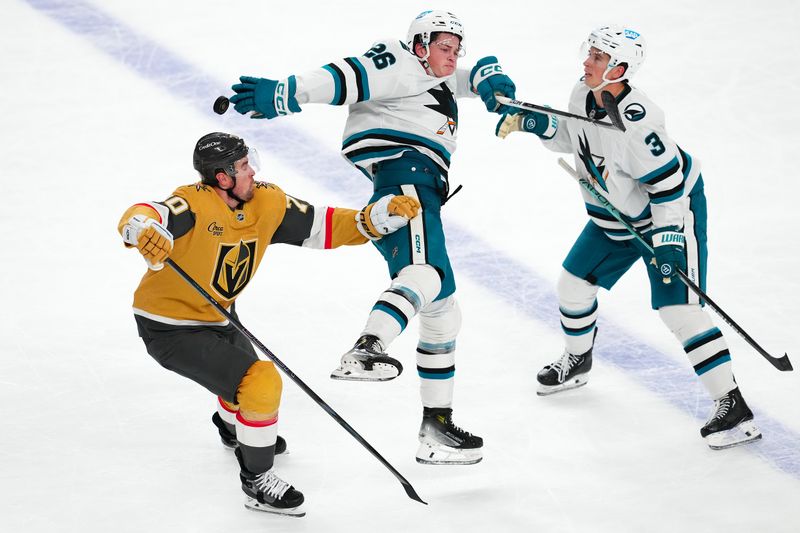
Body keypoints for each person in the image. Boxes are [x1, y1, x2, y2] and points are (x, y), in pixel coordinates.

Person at [227, 10, 515, 465]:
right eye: (444, 46)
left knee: (442, 309)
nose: (452, 54)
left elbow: (468, 76)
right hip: (408, 183)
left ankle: (436, 427)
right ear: (419, 44)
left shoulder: (425, 71)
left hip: (413, 186)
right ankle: (367, 349)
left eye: (457, 48)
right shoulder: (398, 60)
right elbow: (348, 75)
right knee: (427, 274)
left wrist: (491, 80)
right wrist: (286, 93)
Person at [118, 132, 420, 516]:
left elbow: (321, 225)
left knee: (241, 388)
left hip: (218, 314)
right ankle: (257, 482)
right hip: (169, 327)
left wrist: (374, 218)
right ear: (222, 178)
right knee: (261, 382)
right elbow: (149, 212)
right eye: (243, 167)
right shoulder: (194, 203)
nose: (253, 171)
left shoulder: (265, 201)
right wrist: (141, 229)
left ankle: (233, 429)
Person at [495, 25, 761, 450]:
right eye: (590, 53)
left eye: (598, 58)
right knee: (573, 287)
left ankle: (733, 407)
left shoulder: (641, 122)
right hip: (616, 214)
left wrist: (670, 239)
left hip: (667, 213)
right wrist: (532, 121)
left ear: (618, 69)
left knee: (679, 312)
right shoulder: (583, 93)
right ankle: (579, 361)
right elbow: (572, 137)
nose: (587, 62)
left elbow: (669, 187)